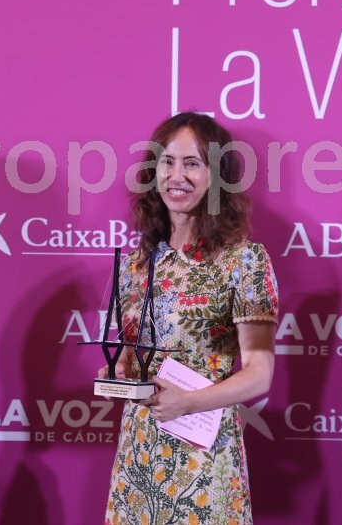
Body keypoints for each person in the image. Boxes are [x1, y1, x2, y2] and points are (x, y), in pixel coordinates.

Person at [100, 112, 278, 525]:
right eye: (167, 162)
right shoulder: (136, 265)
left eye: (192, 163)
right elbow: (130, 356)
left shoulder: (243, 261)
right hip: (138, 453)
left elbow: (260, 373)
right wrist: (120, 372)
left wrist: (190, 402)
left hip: (203, 459)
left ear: (217, 176)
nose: (176, 176)